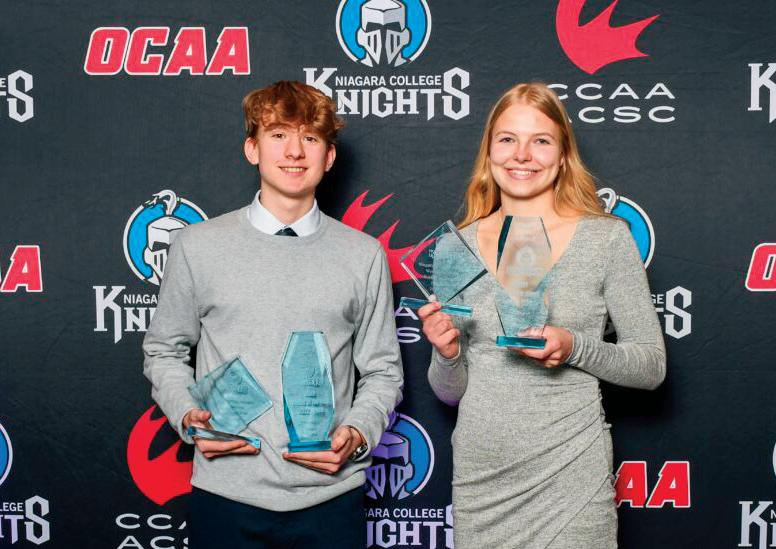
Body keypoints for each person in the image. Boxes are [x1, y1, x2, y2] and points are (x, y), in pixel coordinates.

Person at [143, 80, 403, 549]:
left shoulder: (363, 255)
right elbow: (164, 350)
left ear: (329, 156)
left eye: (310, 138)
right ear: (252, 149)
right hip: (226, 493)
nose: (294, 151)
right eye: (279, 134)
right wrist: (188, 415)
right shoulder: (197, 246)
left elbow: (383, 371)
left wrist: (358, 433)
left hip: (331, 496)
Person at [419, 82, 666, 549]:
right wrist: (447, 353)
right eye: (508, 139)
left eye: (541, 141)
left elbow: (651, 367)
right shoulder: (455, 246)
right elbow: (449, 393)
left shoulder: (606, 239)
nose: (522, 155)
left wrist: (574, 347)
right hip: (482, 481)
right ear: (489, 151)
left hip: (570, 475)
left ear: (563, 154)